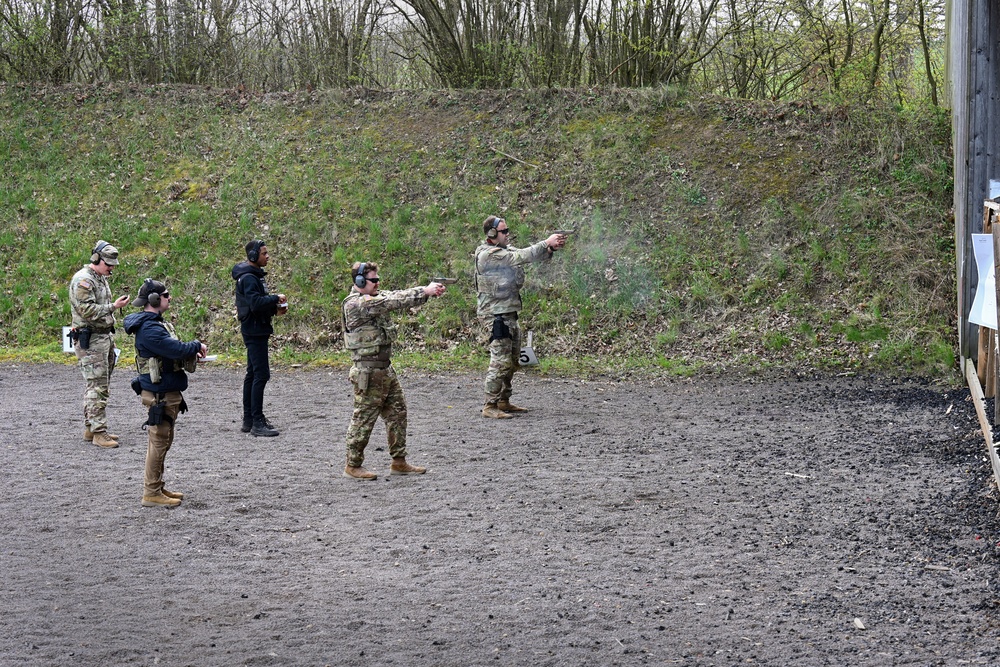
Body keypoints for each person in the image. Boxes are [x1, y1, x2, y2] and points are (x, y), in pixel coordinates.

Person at [341, 262, 445, 480]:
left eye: (378, 279)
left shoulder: (374, 297)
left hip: (385, 370)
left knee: (397, 414)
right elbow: (393, 300)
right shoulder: (356, 304)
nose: (378, 283)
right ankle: (353, 465)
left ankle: (399, 461)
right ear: (360, 282)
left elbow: (396, 295)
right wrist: (424, 291)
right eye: (373, 280)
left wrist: (426, 293)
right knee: (363, 420)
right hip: (367, 373)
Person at [124, 279, 206, 508]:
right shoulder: (150, 328)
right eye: (166, 295)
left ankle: (157, 486)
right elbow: (175, 349)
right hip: (160, 393)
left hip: (165, 390)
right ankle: (151, 492)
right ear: (154, 299)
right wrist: (196, 345)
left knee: (163, 441)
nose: (169, 298)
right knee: (158, 442)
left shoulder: (153, 324)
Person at [474, 216, 567, 419]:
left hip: (507, 313)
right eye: (504, 232)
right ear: (491, 234)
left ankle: (503, 400)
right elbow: (521, 256)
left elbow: (526, 255)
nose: (508, 234)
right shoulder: (487, 255)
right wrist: (545, 242)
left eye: (507, 231)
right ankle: (489, 405)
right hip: (494, 315)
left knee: (513, 360)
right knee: (500, 361)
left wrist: (549, 249)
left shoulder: (504, 250)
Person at [68, 240, 132, 448]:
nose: (111, 268)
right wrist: (113, 306)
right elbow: (87, 311)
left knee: (99, 384)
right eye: (108, 264)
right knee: (97, 386)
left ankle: (91, 427)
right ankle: (98, 432)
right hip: (92, 338)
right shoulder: (84, 281)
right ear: (96, 259)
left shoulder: (99, 277)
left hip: (103, 337)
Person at [232, 239, 287, 437]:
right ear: (254, 256)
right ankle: (256, 421)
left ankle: (249, 419)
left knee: (253, 374)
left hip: (256, 328)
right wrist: (275, 299)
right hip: (254, 331)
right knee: (261, 374)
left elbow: (254, 304)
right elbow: (255, 303)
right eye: (264, 253)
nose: (267, 256)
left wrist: (273, 309)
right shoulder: (248, 278)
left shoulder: (253, 276)